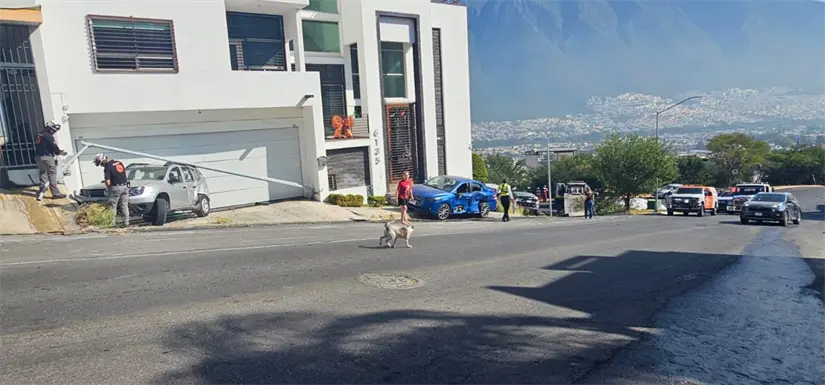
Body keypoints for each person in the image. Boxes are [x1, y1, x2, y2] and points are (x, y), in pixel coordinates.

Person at [34, 121, 67, 201]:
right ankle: (55, 193)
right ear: (50, 128)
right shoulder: (48, 136)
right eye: (54, 130)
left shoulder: (39, 134)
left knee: (43, 172)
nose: (54, 131)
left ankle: (42, 189)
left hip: (38, 157)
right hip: (47, 157)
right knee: (52, 174)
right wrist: (59, 152)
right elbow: (54, 146)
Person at [94, 153, 130, 227]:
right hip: (125, 186)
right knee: (124, 205)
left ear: (103, 161)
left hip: (115, 188)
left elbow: (108, 182)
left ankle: (112, 224)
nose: (101, 166)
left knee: (112, 206)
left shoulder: (107, 167)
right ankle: (126, 223)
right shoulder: (119, 163)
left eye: (101, 164)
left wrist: (109, 189)